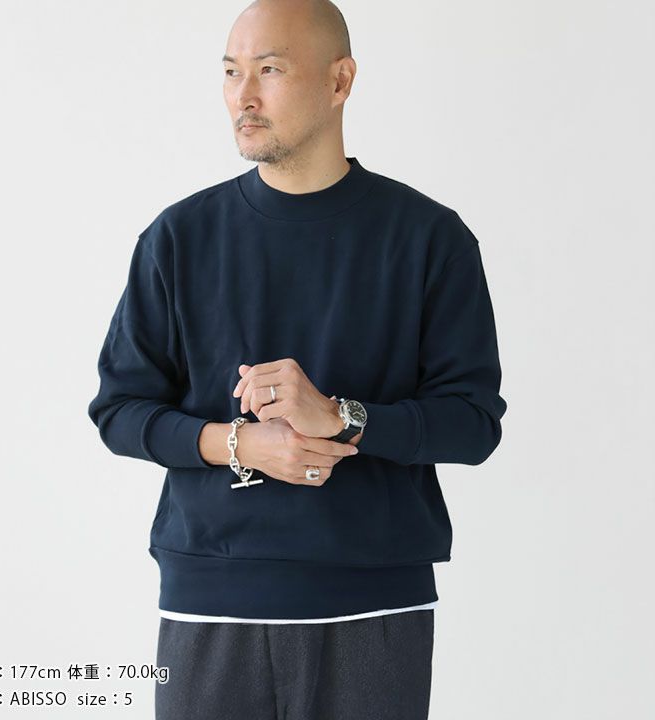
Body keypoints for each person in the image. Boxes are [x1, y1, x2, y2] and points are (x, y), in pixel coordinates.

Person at [86, 0, 507, 717]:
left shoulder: (429, 239)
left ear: (340, 81)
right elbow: (118, 411)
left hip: (373, 607)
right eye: (231, 72)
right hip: (211, 600)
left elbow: (473, 424)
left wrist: (343, 417)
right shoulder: (178, 238)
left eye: (271, 70)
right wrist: (239, 444)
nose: (243, 97)